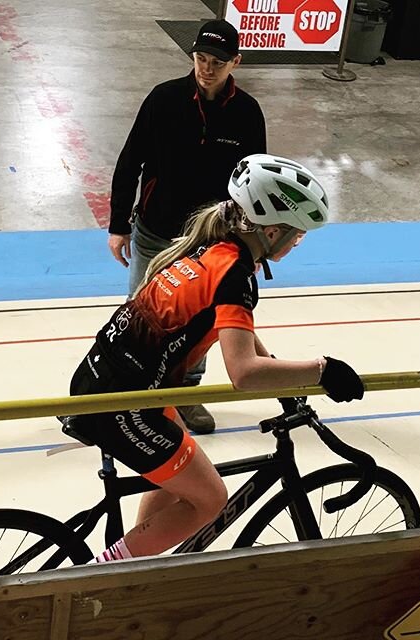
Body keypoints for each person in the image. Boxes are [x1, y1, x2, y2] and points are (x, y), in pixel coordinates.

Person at [65, 154, 365, 563]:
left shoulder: (216, 247)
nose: (299, 242)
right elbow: (243, 372)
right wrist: (322, 371)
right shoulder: (234, 275)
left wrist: (289, 380)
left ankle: (136, 564)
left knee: (177, 477)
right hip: (125, 403)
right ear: (273, 230)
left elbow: (238, 333)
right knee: (209, 499)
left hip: (113, 383)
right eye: (298, 233)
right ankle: (106, 570)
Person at [107, 19, 267, 434]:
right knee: (143, 313)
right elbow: (130, 162)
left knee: (200, 317)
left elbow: (255, 182)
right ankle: (131, 388)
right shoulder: (163, 99)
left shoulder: (247, 113)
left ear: (236, 62)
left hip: (211, 240)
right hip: (155, 230)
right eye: (200, 58)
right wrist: (118, 224)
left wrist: (250, 241)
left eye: (217, 62)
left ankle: (187, 393)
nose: (206, 69)